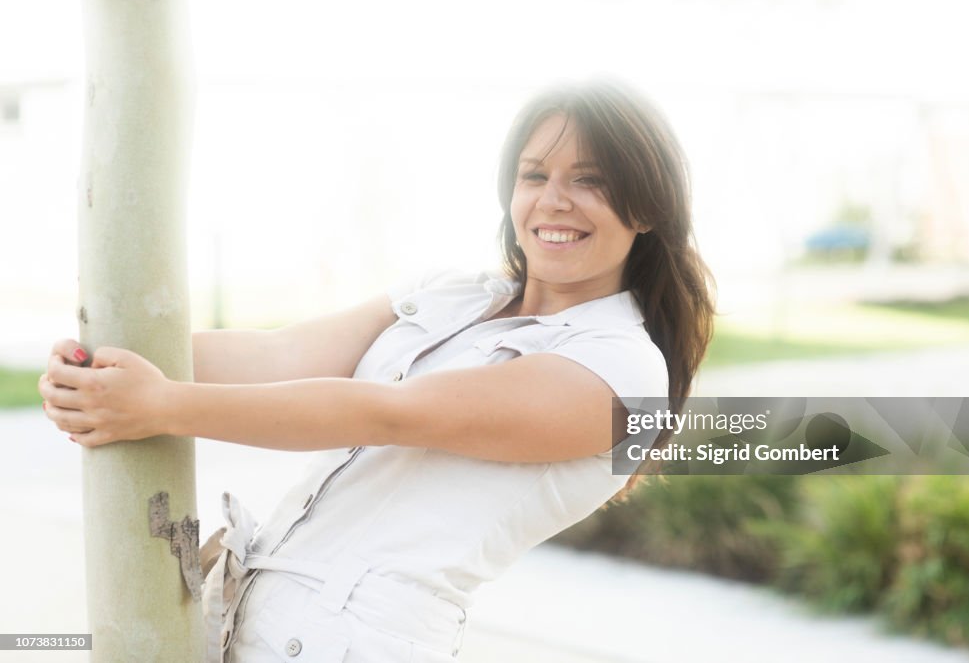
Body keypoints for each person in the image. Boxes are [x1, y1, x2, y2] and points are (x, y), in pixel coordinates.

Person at [39, 78, 715, 662]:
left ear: (649, 207)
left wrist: (160, 405)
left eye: (590, 180)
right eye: (535, 175)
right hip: (252, 625)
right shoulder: (457, 292)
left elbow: (389, 414)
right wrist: (105, 363)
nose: (554, 200)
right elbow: (282, 355)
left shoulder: (623, 369)